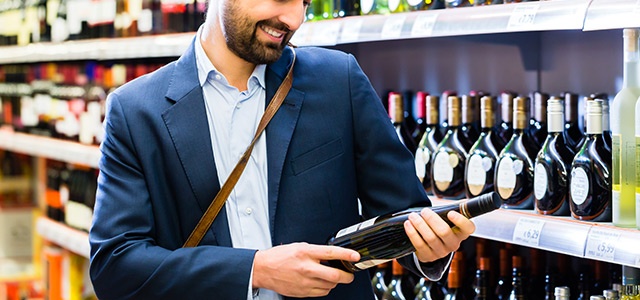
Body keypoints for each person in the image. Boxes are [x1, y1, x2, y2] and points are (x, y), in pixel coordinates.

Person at [88, 0, 476, 299]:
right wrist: (254, 270)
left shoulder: (338, 80)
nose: (292, 19)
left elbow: (400, 214)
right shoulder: (136, 110)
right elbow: (115, 265)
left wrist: (428, 250)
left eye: (304, 2)